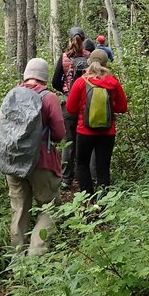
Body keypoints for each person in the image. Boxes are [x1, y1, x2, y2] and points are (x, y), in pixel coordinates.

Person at [3, 58, 65, 255]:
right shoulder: (49, 98)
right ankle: (35, 256)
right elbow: (59, 133)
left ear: (26, 74)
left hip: (12, 161)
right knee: (50, 207)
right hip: (41, 162)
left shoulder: (12, 95)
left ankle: (16, 257)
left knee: (19, 209)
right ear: (45, 77)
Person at [65, 49, 127, 196]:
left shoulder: (81, 82)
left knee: (82, 165)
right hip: (107, 133)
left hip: (84, 132)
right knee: (103, 169)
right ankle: (103, 204)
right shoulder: (113, 82)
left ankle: (88, 199)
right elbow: (122, 107)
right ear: (106, 63)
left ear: (89, 62)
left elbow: (70, 108)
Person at [52, 26, 91, 190]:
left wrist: (66, 90)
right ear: (84, 39)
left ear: (70, 39)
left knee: (69, 141)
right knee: (85, 140)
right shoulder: (89, 57)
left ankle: (66, 179)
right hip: (86, 105)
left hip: (68, 105)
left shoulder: (64, 58)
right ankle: (85, 176)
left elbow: (55, 82)